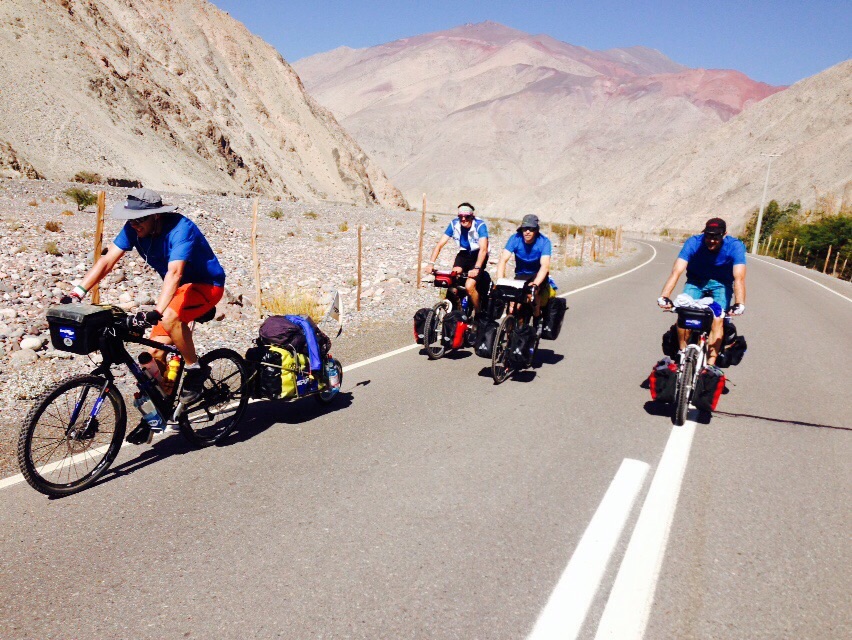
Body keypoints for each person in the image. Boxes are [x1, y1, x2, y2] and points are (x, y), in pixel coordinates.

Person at [62, 188, 226, 441]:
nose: (134, 224)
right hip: (178, 291)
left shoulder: (181, 229)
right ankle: (155, 417)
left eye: (140, 219)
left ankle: (196, 370)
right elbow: (107, 261)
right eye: (131, 219)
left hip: (206, 286)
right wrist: (77, 292)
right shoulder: (133, 228)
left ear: (156, 216)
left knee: (169, 317)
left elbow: (175, 274)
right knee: (153, 356)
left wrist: (157, 311)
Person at [657, 217, 746, 365]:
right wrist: (664, 296)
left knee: (717, 318)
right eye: (708, 235)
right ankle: (682, 353)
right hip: (696, 282)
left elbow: (739, 277)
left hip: (721, 284)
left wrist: (739, 303)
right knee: (685, 313)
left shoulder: (735, 246)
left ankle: (711, 364)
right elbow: (676, 271)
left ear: (724, 235)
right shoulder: (693, 243)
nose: (711, 240)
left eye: (716, 237)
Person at [424, 202, 490, 314]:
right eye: (460, 216)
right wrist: (431, 263)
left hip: (478, 254)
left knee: (469, 286)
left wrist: (477, 268)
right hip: (464, 253)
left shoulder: (480, 225)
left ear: (472, 216)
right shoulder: (454, 224)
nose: (463, 219)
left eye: (467, 217)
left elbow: (483, 249)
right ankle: (455, 307)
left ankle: (479, 313)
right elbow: (439, 245)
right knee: (452, 277)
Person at [495, 214, 552, 317]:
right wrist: (500, 280)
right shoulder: (515, 238)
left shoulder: (544, 242)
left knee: (532, 294)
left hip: (537, 274)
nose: (527, 232)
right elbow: (503, 259)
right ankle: (511, 323)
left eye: (531, 229)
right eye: (525, 228)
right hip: (521, 274)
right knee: (512, 303)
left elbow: (545, 265)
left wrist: (535, 284)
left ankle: (537, 316)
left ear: (536, 230)